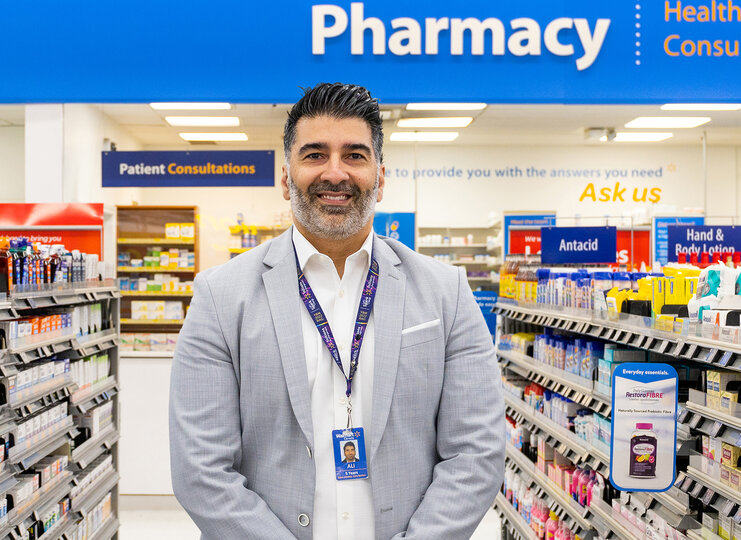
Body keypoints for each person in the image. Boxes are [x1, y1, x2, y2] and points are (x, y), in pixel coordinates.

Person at [169, 82, 504, 540]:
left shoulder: (446, 293)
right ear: (286, 179)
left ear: (380, 178)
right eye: (314, 155)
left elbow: (476, 453)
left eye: (354, 155)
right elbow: (201, 470)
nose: (335, 173)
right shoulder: (221, 296)